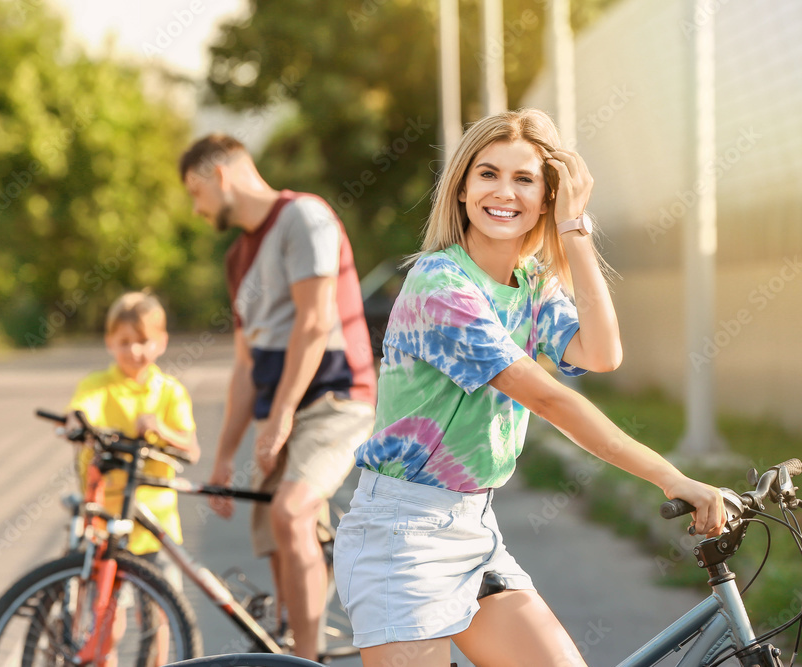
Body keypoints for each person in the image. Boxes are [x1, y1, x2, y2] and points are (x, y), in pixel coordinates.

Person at [331, 108, 727, 667]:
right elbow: (548, 398)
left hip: (474, 527)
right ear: (463, 188)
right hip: (404, 536)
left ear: (546, 197)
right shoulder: (440, 283)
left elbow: (602, 352)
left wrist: (574, 229)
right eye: (488, 174)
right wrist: (669, 476)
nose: (504, 192)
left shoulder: (532, 281)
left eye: (525, 179)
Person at [180, 134, 377, 659]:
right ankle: (299, 629)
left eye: (193, 192)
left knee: (291, 513)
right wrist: (223, 457)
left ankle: (304, 662)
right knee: (276, 544)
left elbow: (314, 324)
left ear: (219, 175)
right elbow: (245, 365)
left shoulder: (303, 218)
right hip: (280, 411)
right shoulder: (236, 259)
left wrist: (284, 414)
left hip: (335, 399)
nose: (196, 209)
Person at [65, 290, 200, 666]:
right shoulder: (99, 385)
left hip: (156, 521)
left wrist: (160, 430)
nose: (134, 350)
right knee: (107, 613)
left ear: (160, 343)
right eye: (124, 342)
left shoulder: (170, 391)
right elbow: (80, 411)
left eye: (142, 341)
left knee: (158, 616)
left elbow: (191, 448)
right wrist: (76, 422)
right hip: (108, 521)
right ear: (110, 342)